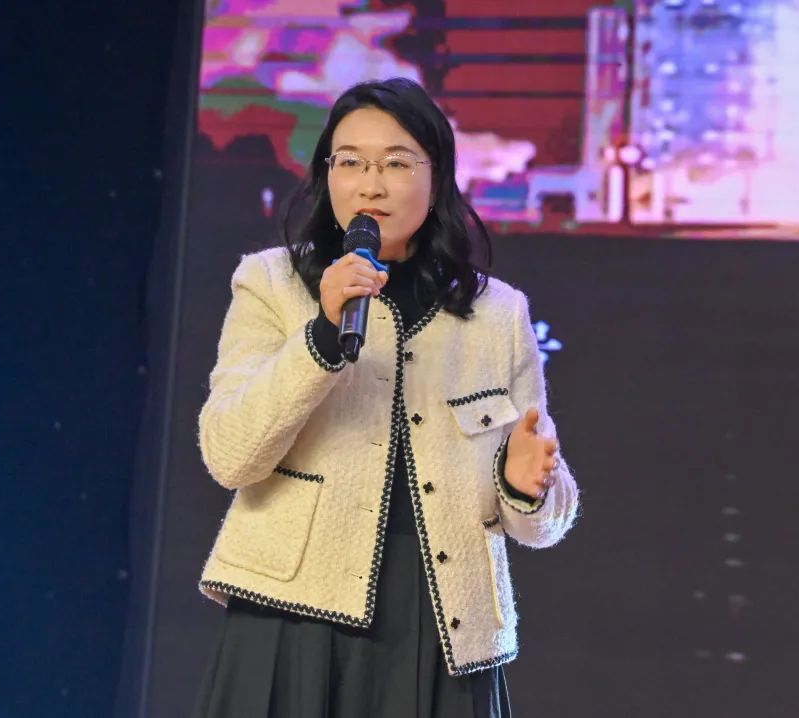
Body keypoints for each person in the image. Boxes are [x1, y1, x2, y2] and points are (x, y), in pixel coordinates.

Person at [191, 77, 579, 718]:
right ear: (327, 175)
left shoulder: (498, 314)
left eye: (396, 164)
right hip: (293, 621)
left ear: (438, 176)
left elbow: (544, 522)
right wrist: (321, 335)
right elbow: (229, 455)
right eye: (350, 163)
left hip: (444, 628)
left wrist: (526, 488)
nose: (370, 185)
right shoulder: (271, 283)